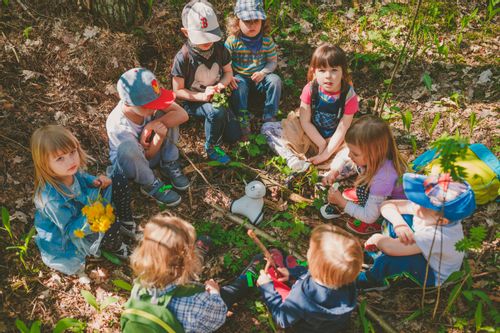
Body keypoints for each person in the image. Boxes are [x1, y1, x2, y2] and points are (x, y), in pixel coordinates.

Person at [125, 214, 264, 333]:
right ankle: (250, 278)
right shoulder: (197, 303)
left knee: (176, 277)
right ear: (186, 262)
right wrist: (215, 293)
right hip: (197, 316)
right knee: (229, 294)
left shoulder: (142, 282)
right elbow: (217, 316)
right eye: (190, 250)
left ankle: (196, 257)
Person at [31, 125, 133, 276]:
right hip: (76, 229)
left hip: (87, 203)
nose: (70, 161)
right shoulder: (51, 200)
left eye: (72, 153)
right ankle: (116, 246)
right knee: (109, 224)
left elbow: (82, 178)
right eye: (60, 158)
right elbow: (69, 231)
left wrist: (96, 182)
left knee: (118, 180)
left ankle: (126, 223)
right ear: (45, 164)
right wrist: (92, 219)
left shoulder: (69, 170)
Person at [357, 173, 476, 291]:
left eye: (424, 204)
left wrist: (377, 239)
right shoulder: (430, 213)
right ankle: (378, 254)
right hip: (425, 251)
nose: (417, 204)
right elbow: (387, 205)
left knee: (394, 260)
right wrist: (399, 223)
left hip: (431, 274)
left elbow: (390, 248)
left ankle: (373, 278)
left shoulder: (437, 237)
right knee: (402, 218)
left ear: (442, 221)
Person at [261, 44, 358, 172]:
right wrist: (321, 143)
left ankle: (330, 174)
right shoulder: (310, 89)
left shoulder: (349, 95)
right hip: (308, 135)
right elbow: (305, 121)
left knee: (360, 151)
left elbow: (343, 128)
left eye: (334, 70)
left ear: (343, 72)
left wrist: (325, 153)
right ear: (314, 71)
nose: (328, 76)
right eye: (322, 71)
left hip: (337, 141)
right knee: (268, 128)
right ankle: (293, 160)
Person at [106, 68, 190, 207]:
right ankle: (150, 184)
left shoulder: (150, 103)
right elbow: (146, 157)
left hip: (152, 152)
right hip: (133, 165)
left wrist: (152, 124)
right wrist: (159, 137)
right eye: (149, 106)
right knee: (128, 148)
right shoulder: (118, 126)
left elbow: (183, 115)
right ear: (128, 104)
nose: (154, 108)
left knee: (170, 116)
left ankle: (169, 163)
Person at [256, 224, 362, 332]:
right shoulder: (347, 282)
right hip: (334, 326)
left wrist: (267, 288)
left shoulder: (303, 296)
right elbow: (312, 274)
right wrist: (292, 273)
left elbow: (282, 318)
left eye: (310, 248)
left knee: (278, 290)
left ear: (313, 262)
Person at [171, 0, 239, 164]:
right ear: (186, 33)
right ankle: (211, 147)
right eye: (201, 37)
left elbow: (228, 72)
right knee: (216, 111)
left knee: (233, 135)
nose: (207, 41)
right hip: (194, 101)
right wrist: (202, 96)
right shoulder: (184, 57)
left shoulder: (220, 49)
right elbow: (178, 91)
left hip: (217, 95)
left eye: (210, 35)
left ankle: (225, 118)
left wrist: (221, 85)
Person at [321, 115, 407, 235]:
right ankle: (368, 200)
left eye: (355, 154)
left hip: (395, 209)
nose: (350, 155)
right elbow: (343, 155)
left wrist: (342, 202)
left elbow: (369, 216)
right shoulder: (371, 158)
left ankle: (378, 223)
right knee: (365, 188)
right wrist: (334, 171)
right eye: (350, 150)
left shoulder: (383, 179)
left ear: (374, 154)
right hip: (378, 194)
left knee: (373, 214)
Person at [225, 0, 282, 137]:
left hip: (260, 78)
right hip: (240, 77)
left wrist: (263, 72)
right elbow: (224, 62)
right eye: (247, 21)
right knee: (238, 87)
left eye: (256, 21)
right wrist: (229, 76)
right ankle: (243, 120)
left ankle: (269, 117)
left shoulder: (266, 40)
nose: (252, 25)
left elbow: (272, 61)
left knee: (275, 81)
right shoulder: (232, 41)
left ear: (262, 21)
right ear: (237, 22)